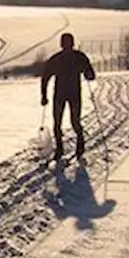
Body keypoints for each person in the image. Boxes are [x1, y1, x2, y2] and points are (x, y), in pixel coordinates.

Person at [41, 32, 96, 161]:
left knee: (66, 123)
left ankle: (72, 146)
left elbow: (45, 78)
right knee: (67, 123)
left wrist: (44, 95)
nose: (66, 46)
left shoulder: (58, 59)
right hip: (70, 94)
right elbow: (91, 75)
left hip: (65, 95)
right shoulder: (78, 57)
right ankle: (66, 148)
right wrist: (88, 74)